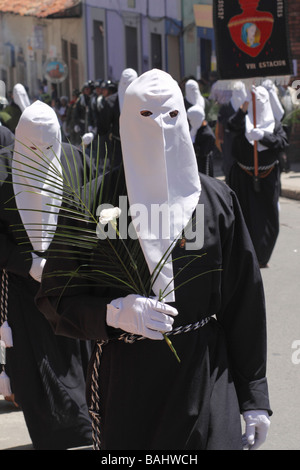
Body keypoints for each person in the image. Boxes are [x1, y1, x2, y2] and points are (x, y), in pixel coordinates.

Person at [36, 69, 271, 451]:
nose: (161, 128)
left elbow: (244, 302)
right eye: (147, 115)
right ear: (127, 121)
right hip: (129, 385)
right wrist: (113, 313)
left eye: (171, 115)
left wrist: (255, 396)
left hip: (207, 375)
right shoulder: (94, 204)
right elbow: (55, 296)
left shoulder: (217, 202)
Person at [0, 100, 93, 449]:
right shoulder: (1, 168)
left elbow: (92, 214)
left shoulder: (74, 159)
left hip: (69, 285)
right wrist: (27, 261)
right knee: (35, 375)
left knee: (76, 362)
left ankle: (83, 431)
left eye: (48, 147)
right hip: (23, 289)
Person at [227, 85, 288, 268]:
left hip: (267, 176)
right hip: (243, 176)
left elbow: (282, 142)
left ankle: (262, 255)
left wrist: (264, 137)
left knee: (268, 217)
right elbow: (231, 125)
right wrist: (245, 105)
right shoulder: (244, 122)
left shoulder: (274, 124)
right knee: (244, 215)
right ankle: (246, 253)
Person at [82, 69, 138, 168]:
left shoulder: (145, 100)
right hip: (119, 146)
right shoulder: (112, 101)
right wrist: (93, 134)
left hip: (139, 145)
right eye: (125, 84)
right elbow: (103, 125)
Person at [217, 81, 248, 184]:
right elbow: (220, 123)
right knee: (229, 161)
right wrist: (220, 138)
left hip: (245, 139)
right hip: (229, 139)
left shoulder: (247, 105)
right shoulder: (226, 106)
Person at [187, 104, 215, 176]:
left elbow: (202, 153)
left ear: (196, 119)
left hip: (204, 167)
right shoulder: (197, 128)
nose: (190, 122)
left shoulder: (208, 135)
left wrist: (191, 144)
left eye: (191, 119)